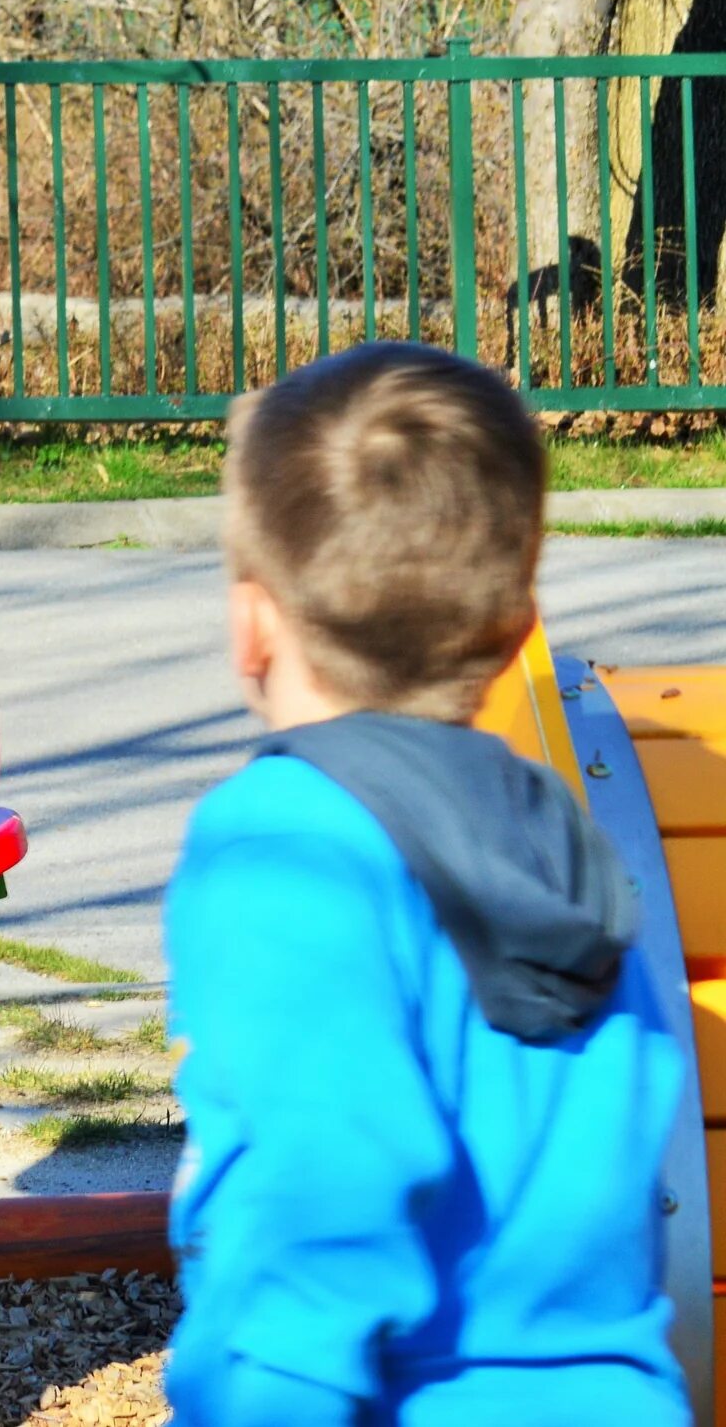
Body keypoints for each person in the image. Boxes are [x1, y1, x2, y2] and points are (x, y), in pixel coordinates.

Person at [163, 343, 688, 1424]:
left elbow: (322, 1205)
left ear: (252, 622)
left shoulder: (285, 840)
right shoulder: (557, 833)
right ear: (509, 630)